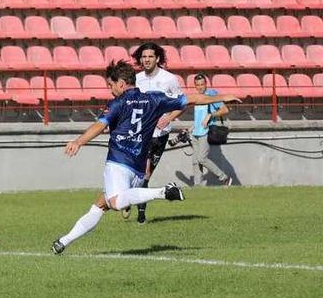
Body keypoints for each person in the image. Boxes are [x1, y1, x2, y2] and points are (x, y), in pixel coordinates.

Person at [51, 61, 240, 254]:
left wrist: (79, 141)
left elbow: (100, 125)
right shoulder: (154, 99)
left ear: (122, 83)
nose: (110, 90)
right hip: (139, 166)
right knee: (102, 204)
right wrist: (223, 96)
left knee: (116, 203)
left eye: (111, 85)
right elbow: (191, 99)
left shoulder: (118, 103)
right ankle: (62, 242)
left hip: (118, 160)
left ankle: (163, 192)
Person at [128, 42, 183, 224]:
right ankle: (140, 214)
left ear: (157, 58)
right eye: (144, 57)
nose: (147, 60)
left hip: (160, 134)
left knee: (146, 175)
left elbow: (181, 103)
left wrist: (169, 118)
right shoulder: (136, 79)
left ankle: (130, 199)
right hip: (140, 134)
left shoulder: (169, 79)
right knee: (141, 173)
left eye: (150, 56)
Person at [189, 74, 233, 187]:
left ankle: (224, 178)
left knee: (202, 159)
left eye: (202, 84)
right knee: (195, 161)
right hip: (195, 133)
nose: (200, 87)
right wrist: (192, 127)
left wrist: (211, 115)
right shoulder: (196, 97)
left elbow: (225, 109)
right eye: (197, 85)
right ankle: (197, 186)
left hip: (206, 132)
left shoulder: (212, 95)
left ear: (206, 84)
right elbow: (198, 117)